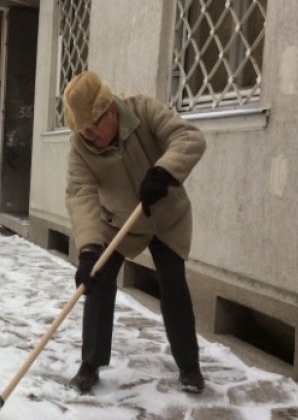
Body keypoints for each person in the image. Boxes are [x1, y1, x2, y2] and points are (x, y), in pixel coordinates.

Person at [62, 70, 206, 394]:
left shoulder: (142, 110)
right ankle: (90, 364)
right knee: (97, 280)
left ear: (110, 112)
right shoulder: (80, 148)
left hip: (167, 217)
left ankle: (189, 367)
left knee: (173, 286)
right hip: (120, 224)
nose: (85, 136)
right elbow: (80, 195)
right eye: (79, 129)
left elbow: (190, 138)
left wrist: (164, 170)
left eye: (90, 128)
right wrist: (88, 250)